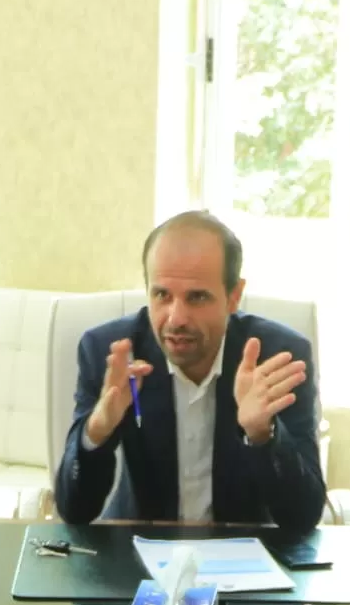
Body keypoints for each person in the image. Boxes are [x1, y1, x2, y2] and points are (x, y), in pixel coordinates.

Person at [52, 211, 323, 529]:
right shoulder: (109, 351)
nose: (176, 318)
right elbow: (75, 511)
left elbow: (303, 517)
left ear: (234, 296)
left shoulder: (277, 358)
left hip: (243, 555)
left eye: (197, 297)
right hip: (137, 551)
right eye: (162, 295)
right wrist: (97, 431)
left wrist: (262, 434)